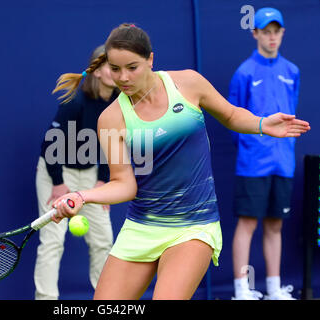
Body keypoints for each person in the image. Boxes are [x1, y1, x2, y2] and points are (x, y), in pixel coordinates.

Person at [50, 23, 310, 300]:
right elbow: (124, 184)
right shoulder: (111, 118)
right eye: (115, 69)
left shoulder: (187, 83)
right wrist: (83, 195)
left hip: (193, 226)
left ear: (150, 59)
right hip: (142, 226)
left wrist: (261, 123)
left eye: (132, 67)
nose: (123, 77)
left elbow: (231, 115)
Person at [34, 44, 119, 300]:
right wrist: (58, 184)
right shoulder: (76, 102)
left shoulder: (118, 103)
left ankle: (107, 300)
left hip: (93, 177)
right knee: (53, 242)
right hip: (56, 174)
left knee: (104, 241)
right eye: (111, 67)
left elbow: (112, 144)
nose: (118, 73)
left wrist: (104, 180)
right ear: (97, 72)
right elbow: (51, 143)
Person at [229, 8, 301, 300]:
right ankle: (241, 290)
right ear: (255, 33)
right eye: (266, 31)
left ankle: (273, 288)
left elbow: (292, 114)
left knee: (275, 224)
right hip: (252, 164)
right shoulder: (244, 73)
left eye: (276, 31)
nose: (272, 37)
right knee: (247, 223)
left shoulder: (292, 71)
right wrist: (252, 146)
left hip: (283, 162)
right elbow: (233, 119)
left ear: (282, 33)